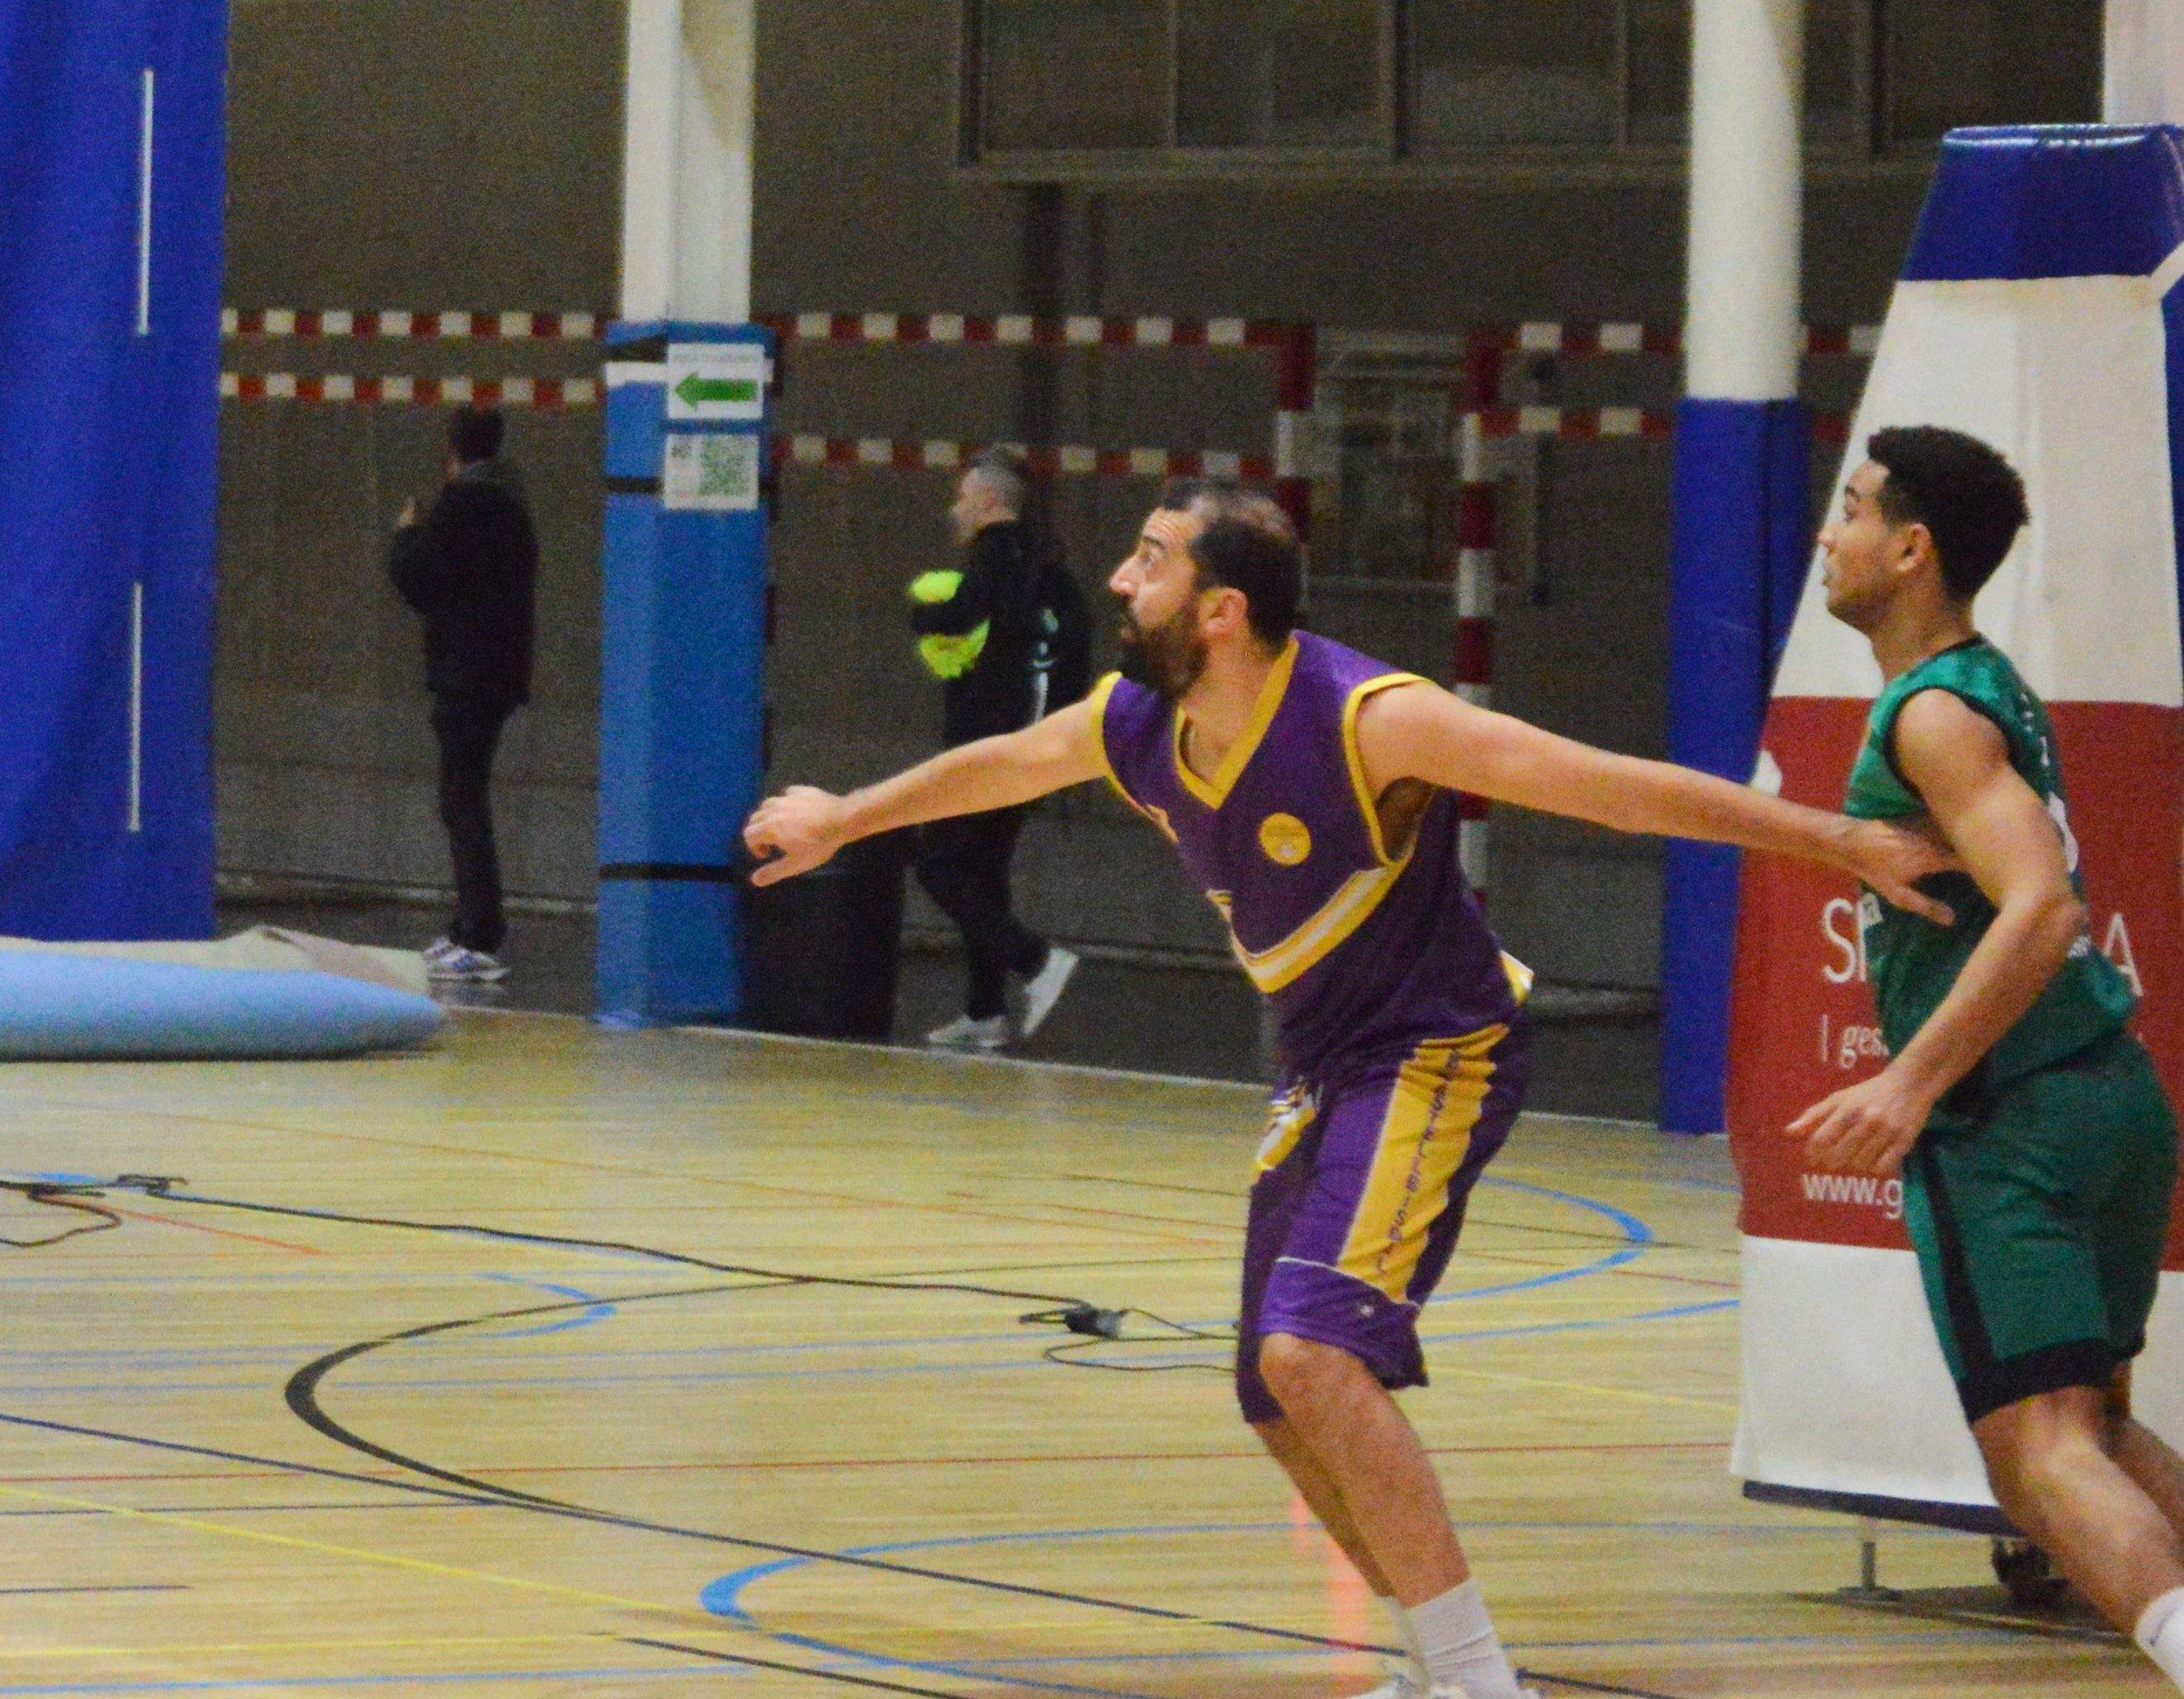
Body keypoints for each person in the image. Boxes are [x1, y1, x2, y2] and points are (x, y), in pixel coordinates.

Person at [745, 481, 1947, 1699]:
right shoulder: (1133, 719)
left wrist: (1835, 840)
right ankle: (1439, 1665)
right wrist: (848, 816)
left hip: (1435, 1048)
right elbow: (1005, 763)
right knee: (1273, 1393)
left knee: (1312, 1354)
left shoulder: (1372, 718)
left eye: (1147, 560)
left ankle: (1481, 1682)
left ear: (1218, 610)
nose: (1118, 577)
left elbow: (1608, 785)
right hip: (1321, 1065)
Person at [1786, 425, 2184, 1688]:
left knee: (2039, 1451)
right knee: (2099, 1431)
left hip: (2010, 1122)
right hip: (2104, 1097)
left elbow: (2046, 905)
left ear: (1909, 549)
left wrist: (1907, 1082)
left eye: (1848, 511)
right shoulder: (1982, 686)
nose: (1827, 535)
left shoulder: (1935, 715)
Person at [901, 449, 1087, 1052]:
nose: (953, 507)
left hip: (990, 745)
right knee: (984, 872)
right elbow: (1072, 654)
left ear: (986, 501)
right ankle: (984, 1012)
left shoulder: (993, 554)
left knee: (937, 864)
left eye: (960, 496)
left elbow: (954, 615)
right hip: (1038, 744)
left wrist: (920, 611)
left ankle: (1035, 960)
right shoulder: (1050, 574)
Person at [385, 409, 536, 982]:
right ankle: (471, 927)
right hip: (496, 673)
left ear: (451, 447)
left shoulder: (463, 505)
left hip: (466, 674)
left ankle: (477, 932)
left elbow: (421, 579)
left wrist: (405, 534)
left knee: (461, 801)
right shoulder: (512, 503)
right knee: (465, 798)